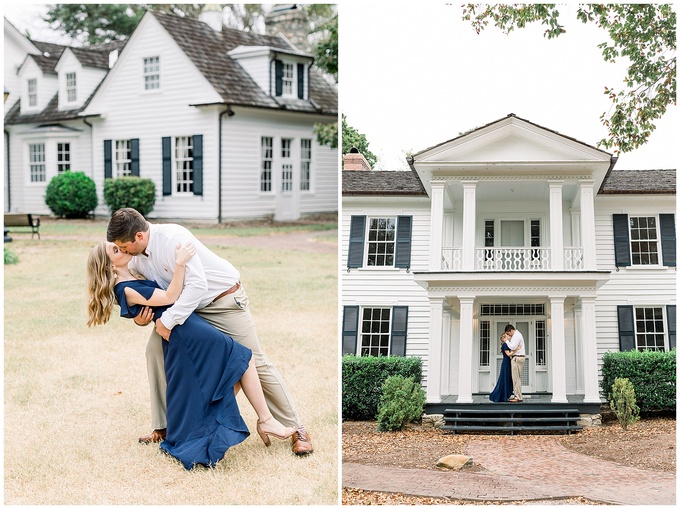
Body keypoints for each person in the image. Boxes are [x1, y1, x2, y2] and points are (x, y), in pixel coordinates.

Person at [105, 208, 313, 455]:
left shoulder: (174, 238)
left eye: (124, 246)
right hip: (189, 313)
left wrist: (169, 321)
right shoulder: (135, 256)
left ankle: (295, 428)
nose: (123, 251)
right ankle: (164, 427)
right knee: (154, 351)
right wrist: (141, 320)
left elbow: (197, 286)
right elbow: (148, 295)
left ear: (139, 236)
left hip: (222, 301)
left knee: (255, 361)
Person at [489, 333, 514, 402]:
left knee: (507, 378)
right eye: (508, 335)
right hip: (506, 363)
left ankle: (506, 395)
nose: (509, 336)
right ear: (505, 338)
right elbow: (508, 354)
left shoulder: (506, 344)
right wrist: (516, 350)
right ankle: (503, 396)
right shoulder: (505, 344)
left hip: (507, 362)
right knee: (505, 379)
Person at [504, 324, 526, 402]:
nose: (508, 335)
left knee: (516, 378)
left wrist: (506, 341)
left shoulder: (516, 335)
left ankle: (518, 397)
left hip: (517, 358)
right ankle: (518, 396)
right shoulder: (517, 335)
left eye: (508, 333)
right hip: (519, 357)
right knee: (517, 378)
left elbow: (512, 347)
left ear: (511, 330)